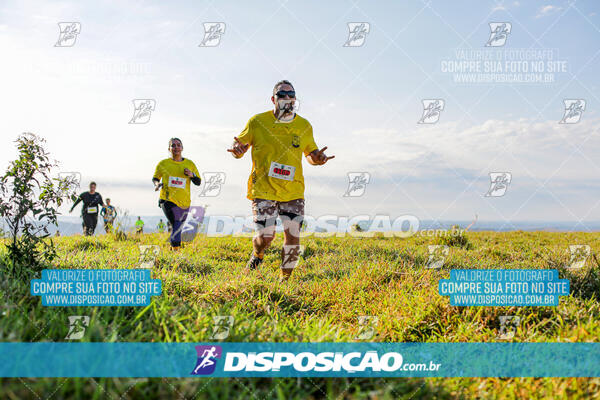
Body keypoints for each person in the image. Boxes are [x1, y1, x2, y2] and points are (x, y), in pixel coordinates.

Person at [227, 80, 334, 281]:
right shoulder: (257, 122)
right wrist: (237, 149)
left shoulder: (304, 125)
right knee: (265, 238)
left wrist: (318, 159)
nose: (287, 98)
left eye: (290, 94)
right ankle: (257, 254)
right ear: (273, 99)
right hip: (264, 189)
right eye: (281, 95)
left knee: (293, 238)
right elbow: (238, 145)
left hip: (293, 190)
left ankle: (285, 280)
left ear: (295, 98)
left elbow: (310, 154)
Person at [152, 138, 201, 250]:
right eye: (173, 145)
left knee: (177, 225)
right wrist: (157, 184)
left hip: (184, 202)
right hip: (167, 199)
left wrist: (192, 175)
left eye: (178, 145)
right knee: (177, 223)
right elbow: (155, 178)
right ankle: (176, 251)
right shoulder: (163, 164)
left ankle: (173, 247)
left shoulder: (189, 164)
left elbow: (198, 182)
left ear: (182, 148)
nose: (176, 147)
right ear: (169, 149)